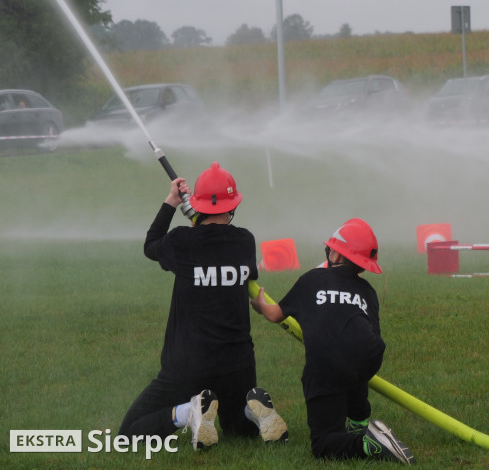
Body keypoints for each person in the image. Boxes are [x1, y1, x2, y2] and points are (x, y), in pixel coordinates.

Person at [118, 163, 288, 450]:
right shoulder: (244, 241)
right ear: (233, 206)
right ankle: (251, 410)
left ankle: (188, 412)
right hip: (238, 363)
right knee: (237, 430)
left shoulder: (182, 241)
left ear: (196, 203)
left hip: (188, 363)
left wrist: (171, 202)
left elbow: (151, 245)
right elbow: (218, 244)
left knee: (129, 434)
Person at [251, 218, 414, 464]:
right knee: (353, 361)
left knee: (323, 443)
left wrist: (260, 304)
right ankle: (360, 423)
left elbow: (275, 314)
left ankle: (368, 443)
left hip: (327, 364)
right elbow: (368, 335)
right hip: (369, 357)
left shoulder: (311, 279)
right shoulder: (367, 291)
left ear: (335, 254)